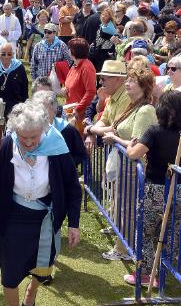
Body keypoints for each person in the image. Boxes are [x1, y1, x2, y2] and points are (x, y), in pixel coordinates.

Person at [0, 100, 81, 306]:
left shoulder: (56, 147)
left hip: (45, 217)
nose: (28, 142)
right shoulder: (6, 145)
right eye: (23, 137)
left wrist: (74, 223)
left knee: (43, 265)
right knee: (10, 274)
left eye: (33, 137)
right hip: (13, 218)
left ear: (43, 131)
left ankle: (32, 290)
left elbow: (72, 187)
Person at [100, 68, 157, 262]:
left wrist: (114, 138)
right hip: (125, 165)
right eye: (127, 80)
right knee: (122, 206)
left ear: (143, 86)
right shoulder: (134, 106)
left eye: (131, 81)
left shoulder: (145, 110)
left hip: (134, 167)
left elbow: (139, 144)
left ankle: (123, 249)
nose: (127, 84)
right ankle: (122, 244)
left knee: (128, 209)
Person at [126, 90, 181, 287]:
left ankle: (147, 274)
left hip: (155, 191)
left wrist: (130, 146)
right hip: (179, 192)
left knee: (147, 232)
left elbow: (134, 154)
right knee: (171, 231)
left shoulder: (154, 131)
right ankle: (164, 271)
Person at [32, 91, 87, 168]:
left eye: (45, 111)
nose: (41, 115)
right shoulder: (28, 132)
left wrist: (64, 164)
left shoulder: (67, 130)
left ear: (55, 112)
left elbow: (81, 154)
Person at [63, 37, 97, 127]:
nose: (68, 50)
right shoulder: (74, 66)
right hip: (70, 110)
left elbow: (91, 91)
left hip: (79, 114)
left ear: (74, 51)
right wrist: (65, 90)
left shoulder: (86, 67)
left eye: (69, 48)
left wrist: (78, 109)